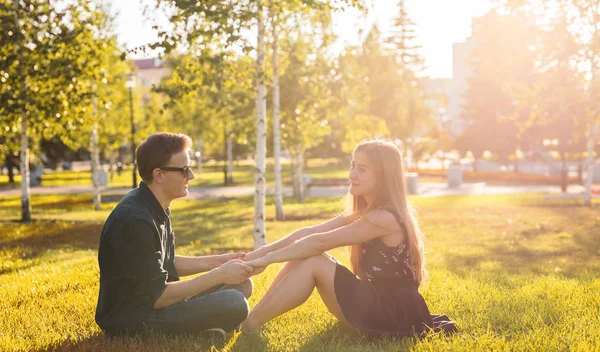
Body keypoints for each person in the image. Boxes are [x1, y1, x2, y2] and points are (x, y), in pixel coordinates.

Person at [242, 140, 456, 337]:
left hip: (391, 314)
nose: (352, 174)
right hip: (375, 301)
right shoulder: (363, 213)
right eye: (353, 166)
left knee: (314, 259)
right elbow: (308, 233)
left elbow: (320, 242)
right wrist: (256, 255)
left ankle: (248, 326)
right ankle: (248, 320)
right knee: (303, 253)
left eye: (362, 169)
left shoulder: (383, 218)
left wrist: (266, 261)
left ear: (384, 177)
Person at [95, 132, 253, 338]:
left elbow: (166, 262)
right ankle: (200, 332)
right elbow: (158, 296)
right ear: (159, 175)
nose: (191, 176)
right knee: (234, 302)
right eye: (184, 170)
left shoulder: (155, 204)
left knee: (242, 284)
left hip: (156, 304)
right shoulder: (134, 221)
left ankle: (204, 330)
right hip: (133, 320)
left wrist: (218, 262)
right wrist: (220, 274)